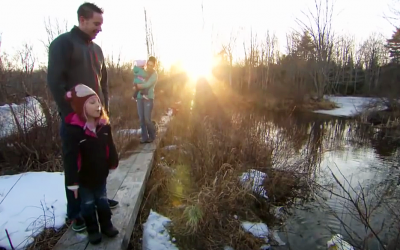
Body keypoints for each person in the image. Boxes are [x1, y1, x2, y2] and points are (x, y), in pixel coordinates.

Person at [46, 2, 118, 232]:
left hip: (98, 120)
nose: (100, 28)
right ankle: (75, 212)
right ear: (82, 20)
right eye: (96, 23)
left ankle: (100, 199)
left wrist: (104, 112)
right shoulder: (62, 44)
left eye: (101, 24)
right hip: (74, 121)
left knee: (98, 160)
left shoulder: (97, 50)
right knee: (74, 163)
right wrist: (70, 117)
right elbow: (55, 83)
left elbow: (102, 83)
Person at [64, 84, 119, 245]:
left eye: (98, 102)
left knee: (102, 202)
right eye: (92, 102)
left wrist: (113, 161)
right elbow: (70, 159)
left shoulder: (104, 126)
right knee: (87, 205)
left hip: (100, 175)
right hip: (84, 179)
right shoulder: (74, 131)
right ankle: (93, 229)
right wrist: (72, 183)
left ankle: (107, 225)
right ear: (82, 107)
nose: (98, 106)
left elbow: (111, 146)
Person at [135, 56, 158, 143]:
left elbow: (148, 84)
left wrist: (139, 85)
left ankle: (152, 135)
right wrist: (136, 84)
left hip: (148, 98)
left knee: (147, 119)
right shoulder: (143, 72)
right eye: (148, 64)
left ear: (154, 66)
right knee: (141, 119)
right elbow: (137, 80)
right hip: (140, 97)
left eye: (151, 65)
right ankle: (144, 138)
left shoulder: (154, 75)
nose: (149, 66)